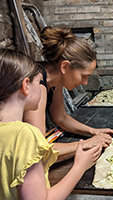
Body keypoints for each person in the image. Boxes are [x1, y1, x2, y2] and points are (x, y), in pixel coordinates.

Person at [0, 49, 104, 199]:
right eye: (38, 81)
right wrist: (80, 166)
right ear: (26, 85)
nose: (42, 84)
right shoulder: (25, 135)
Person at [23, 27, 113, 162]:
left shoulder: (55, 80)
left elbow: (61, 118)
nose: (85, 82)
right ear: (65, 67)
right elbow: (39, 149)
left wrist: (93, 132)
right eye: (84, 76)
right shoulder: (37, 85)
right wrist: (87, 144)